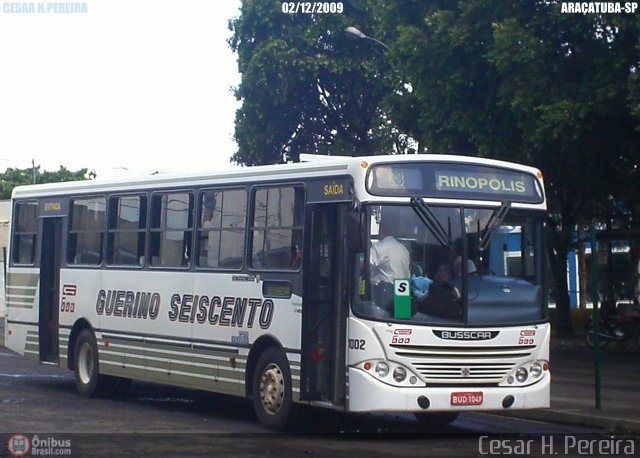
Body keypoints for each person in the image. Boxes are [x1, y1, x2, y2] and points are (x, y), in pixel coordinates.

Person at [369, 217, 410, 309]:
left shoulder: (381, 247)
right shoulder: (404, 249)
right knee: (402, 320)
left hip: (385, 295)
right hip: (403, 295)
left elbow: (363, 265)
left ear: (382, 228)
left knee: (381, 322)